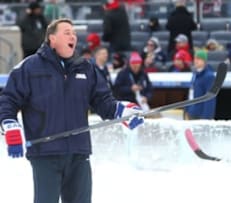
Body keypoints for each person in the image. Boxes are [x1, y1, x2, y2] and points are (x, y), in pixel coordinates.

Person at [0, 18, 144, 203]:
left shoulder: (86, 67)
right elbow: (8, 100)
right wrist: (10, 125)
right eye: (67, 32)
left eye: (74, 33)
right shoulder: (28, 68)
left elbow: (103, 101)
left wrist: (122, 111)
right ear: (52, 38)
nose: (73, 36)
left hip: (78, 153)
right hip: (45, 153)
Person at [184, 50, 216, 120]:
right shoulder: (194, 74)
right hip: (191, 112)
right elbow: (191, 93)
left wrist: (206, 118)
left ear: (204, 61)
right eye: (195, 58)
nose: (195, 61)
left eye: (198, 59)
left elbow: (210, 98)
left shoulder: (209, 76)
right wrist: (186, 110)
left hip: (200, 115)